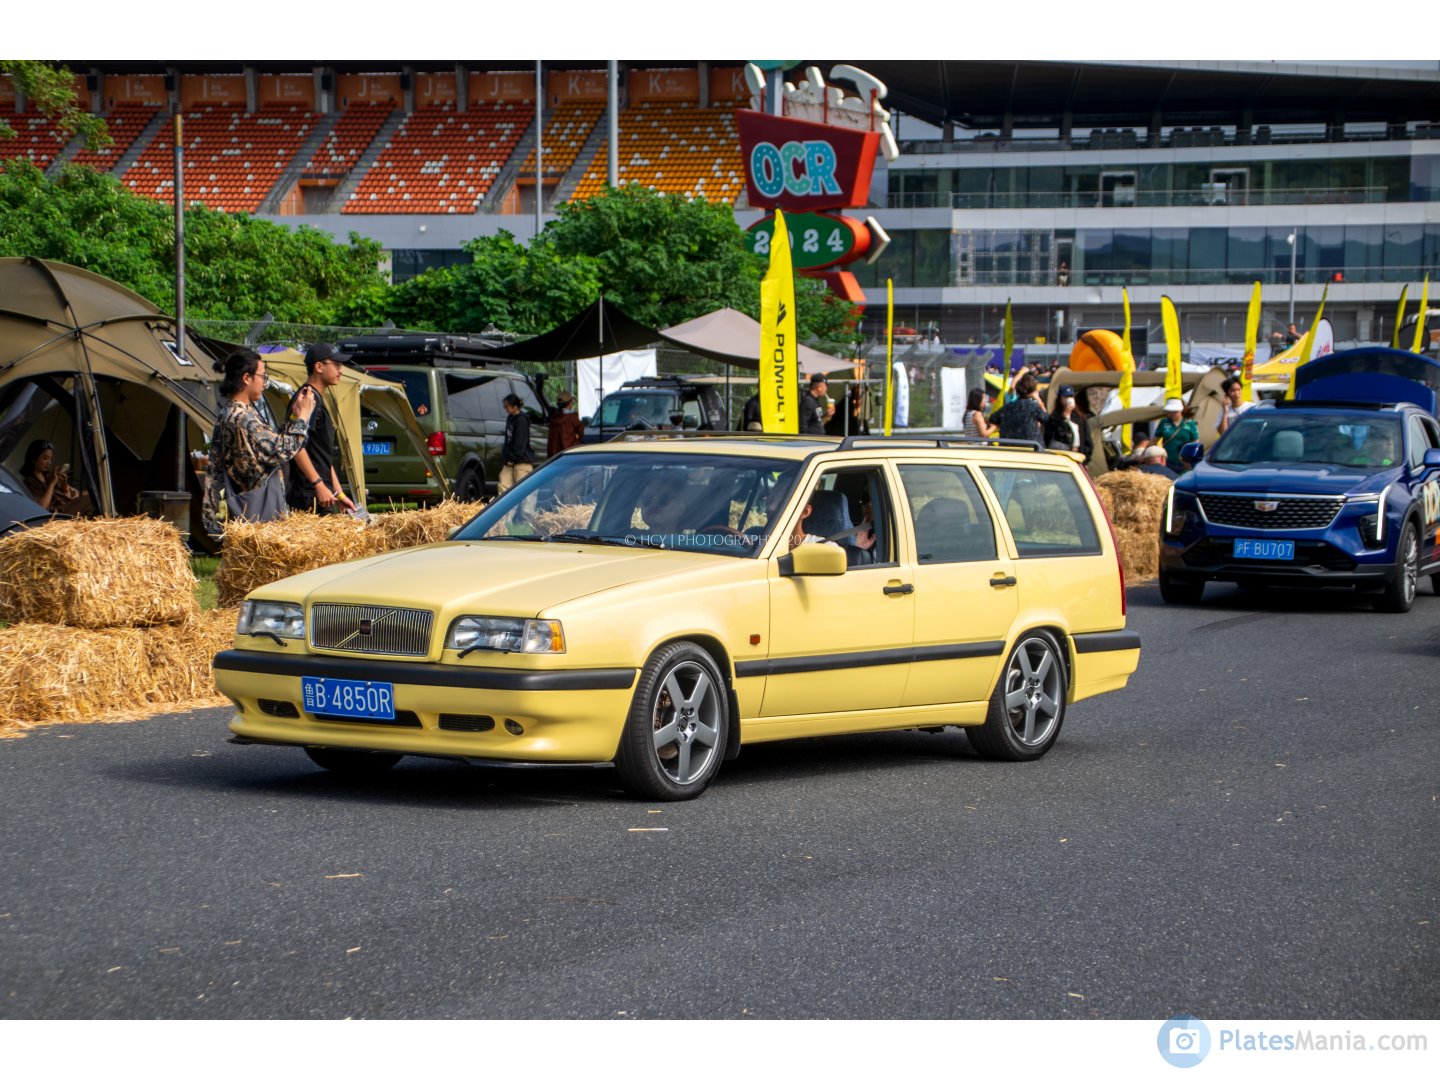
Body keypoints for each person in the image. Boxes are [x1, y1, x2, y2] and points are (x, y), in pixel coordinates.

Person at [203, 348, 315, 535]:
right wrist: (303, 417)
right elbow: (281, 450)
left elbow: (271, 444)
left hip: (253, 508)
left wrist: (294, 420)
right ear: (247, 378)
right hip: (257, 513)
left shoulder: (236, 412)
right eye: (263, 376)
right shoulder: (241, 417)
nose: (265, 383)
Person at [286, 343, 356, 516]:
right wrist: (318, 484)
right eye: (336, 365)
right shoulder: (307, 399)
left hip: (322, 493)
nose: (341, 370)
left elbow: (321, 454)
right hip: (308, 494)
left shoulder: (316, 398)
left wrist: (338, 493)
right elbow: (296, 446)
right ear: (318, 366)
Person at [19, 439, 92, 516]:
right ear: (34, 459)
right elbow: (41, 506)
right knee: (90, 500)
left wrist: (64, 485)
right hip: (56, 514)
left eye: (50, 459)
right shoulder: (30, 482)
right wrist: (51, 484)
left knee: (90, 494)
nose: (49, 462)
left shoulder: (49, 475)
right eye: (45, 458)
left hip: (66, 505)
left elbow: (67, 494)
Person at [994, 371, 1048, 444]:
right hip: (1031, 446)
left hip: (1009, 446)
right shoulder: (1033, 406)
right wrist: (1039, 400)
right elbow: (1047, 418)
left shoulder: (1008, 407)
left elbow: (993, 419)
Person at [498, 393, 536, 494]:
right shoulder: (510, 418)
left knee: (524, 491)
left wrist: (512, 458)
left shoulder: (522, 421)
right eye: (504, 406)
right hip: (510, 461)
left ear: (515, 406)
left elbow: (520, 443)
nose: (505, 409)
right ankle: (505, 509)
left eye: (507, 406)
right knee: (503, 486)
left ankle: (526, 510)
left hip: (521, 461)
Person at [1045, 385, 1094, 459]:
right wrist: (1065, 415)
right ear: (1060, 399)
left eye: (1071, 397)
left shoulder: (1080, 418)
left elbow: (1088, 441)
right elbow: (1057, 435)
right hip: (1061, 456)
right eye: (1066, 397)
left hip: (1078, 455)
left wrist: (1086, 459)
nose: (1069, 399)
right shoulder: (1054, 418)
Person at [1155, 398, 1199, 471]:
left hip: (1185, 463)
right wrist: (1145, 454)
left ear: (1181, 410)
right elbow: (1154, 440)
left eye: (1175, 411)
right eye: (1169, 411)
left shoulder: (1191, 423)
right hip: (1167, 462)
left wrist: (1192, 460)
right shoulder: (1164, 422)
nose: (1172, 414)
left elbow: (1196, 443)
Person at [547, 391, 584, 457]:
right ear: (569, 403)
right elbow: (581, 432)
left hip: (553, 456)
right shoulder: (572, 418)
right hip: (568, 454)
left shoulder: (553, 418)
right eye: (572, 402)